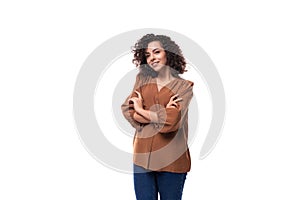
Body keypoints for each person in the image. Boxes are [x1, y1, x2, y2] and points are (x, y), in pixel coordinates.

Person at [121, 34, 194, 200]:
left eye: (156, 52)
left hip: (172, 161)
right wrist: (158, 114)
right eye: (148, 55)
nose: (152, 58)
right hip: (142, 160)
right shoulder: (142, 79)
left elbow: (172, 121)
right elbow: (129, 110)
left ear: (168, 53)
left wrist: (142, 110)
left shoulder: (184, 87)